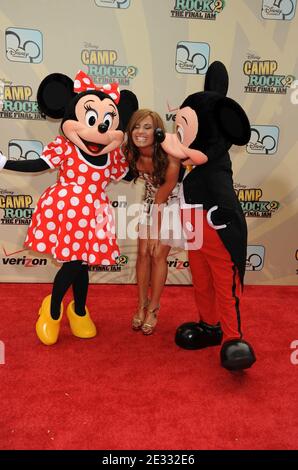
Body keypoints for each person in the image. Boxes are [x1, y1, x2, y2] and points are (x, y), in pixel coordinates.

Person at [123, 109, 181, 335]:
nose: (140, 132)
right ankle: (141, 305)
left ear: (157, 131)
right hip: (150, 201)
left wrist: (156, 231)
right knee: (143, 253)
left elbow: (163, 196)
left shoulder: (169, 155)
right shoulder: (131, 153)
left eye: (147, 127)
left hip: (172, 203)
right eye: (137, 126)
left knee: (157, 254)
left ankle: (154, 308)